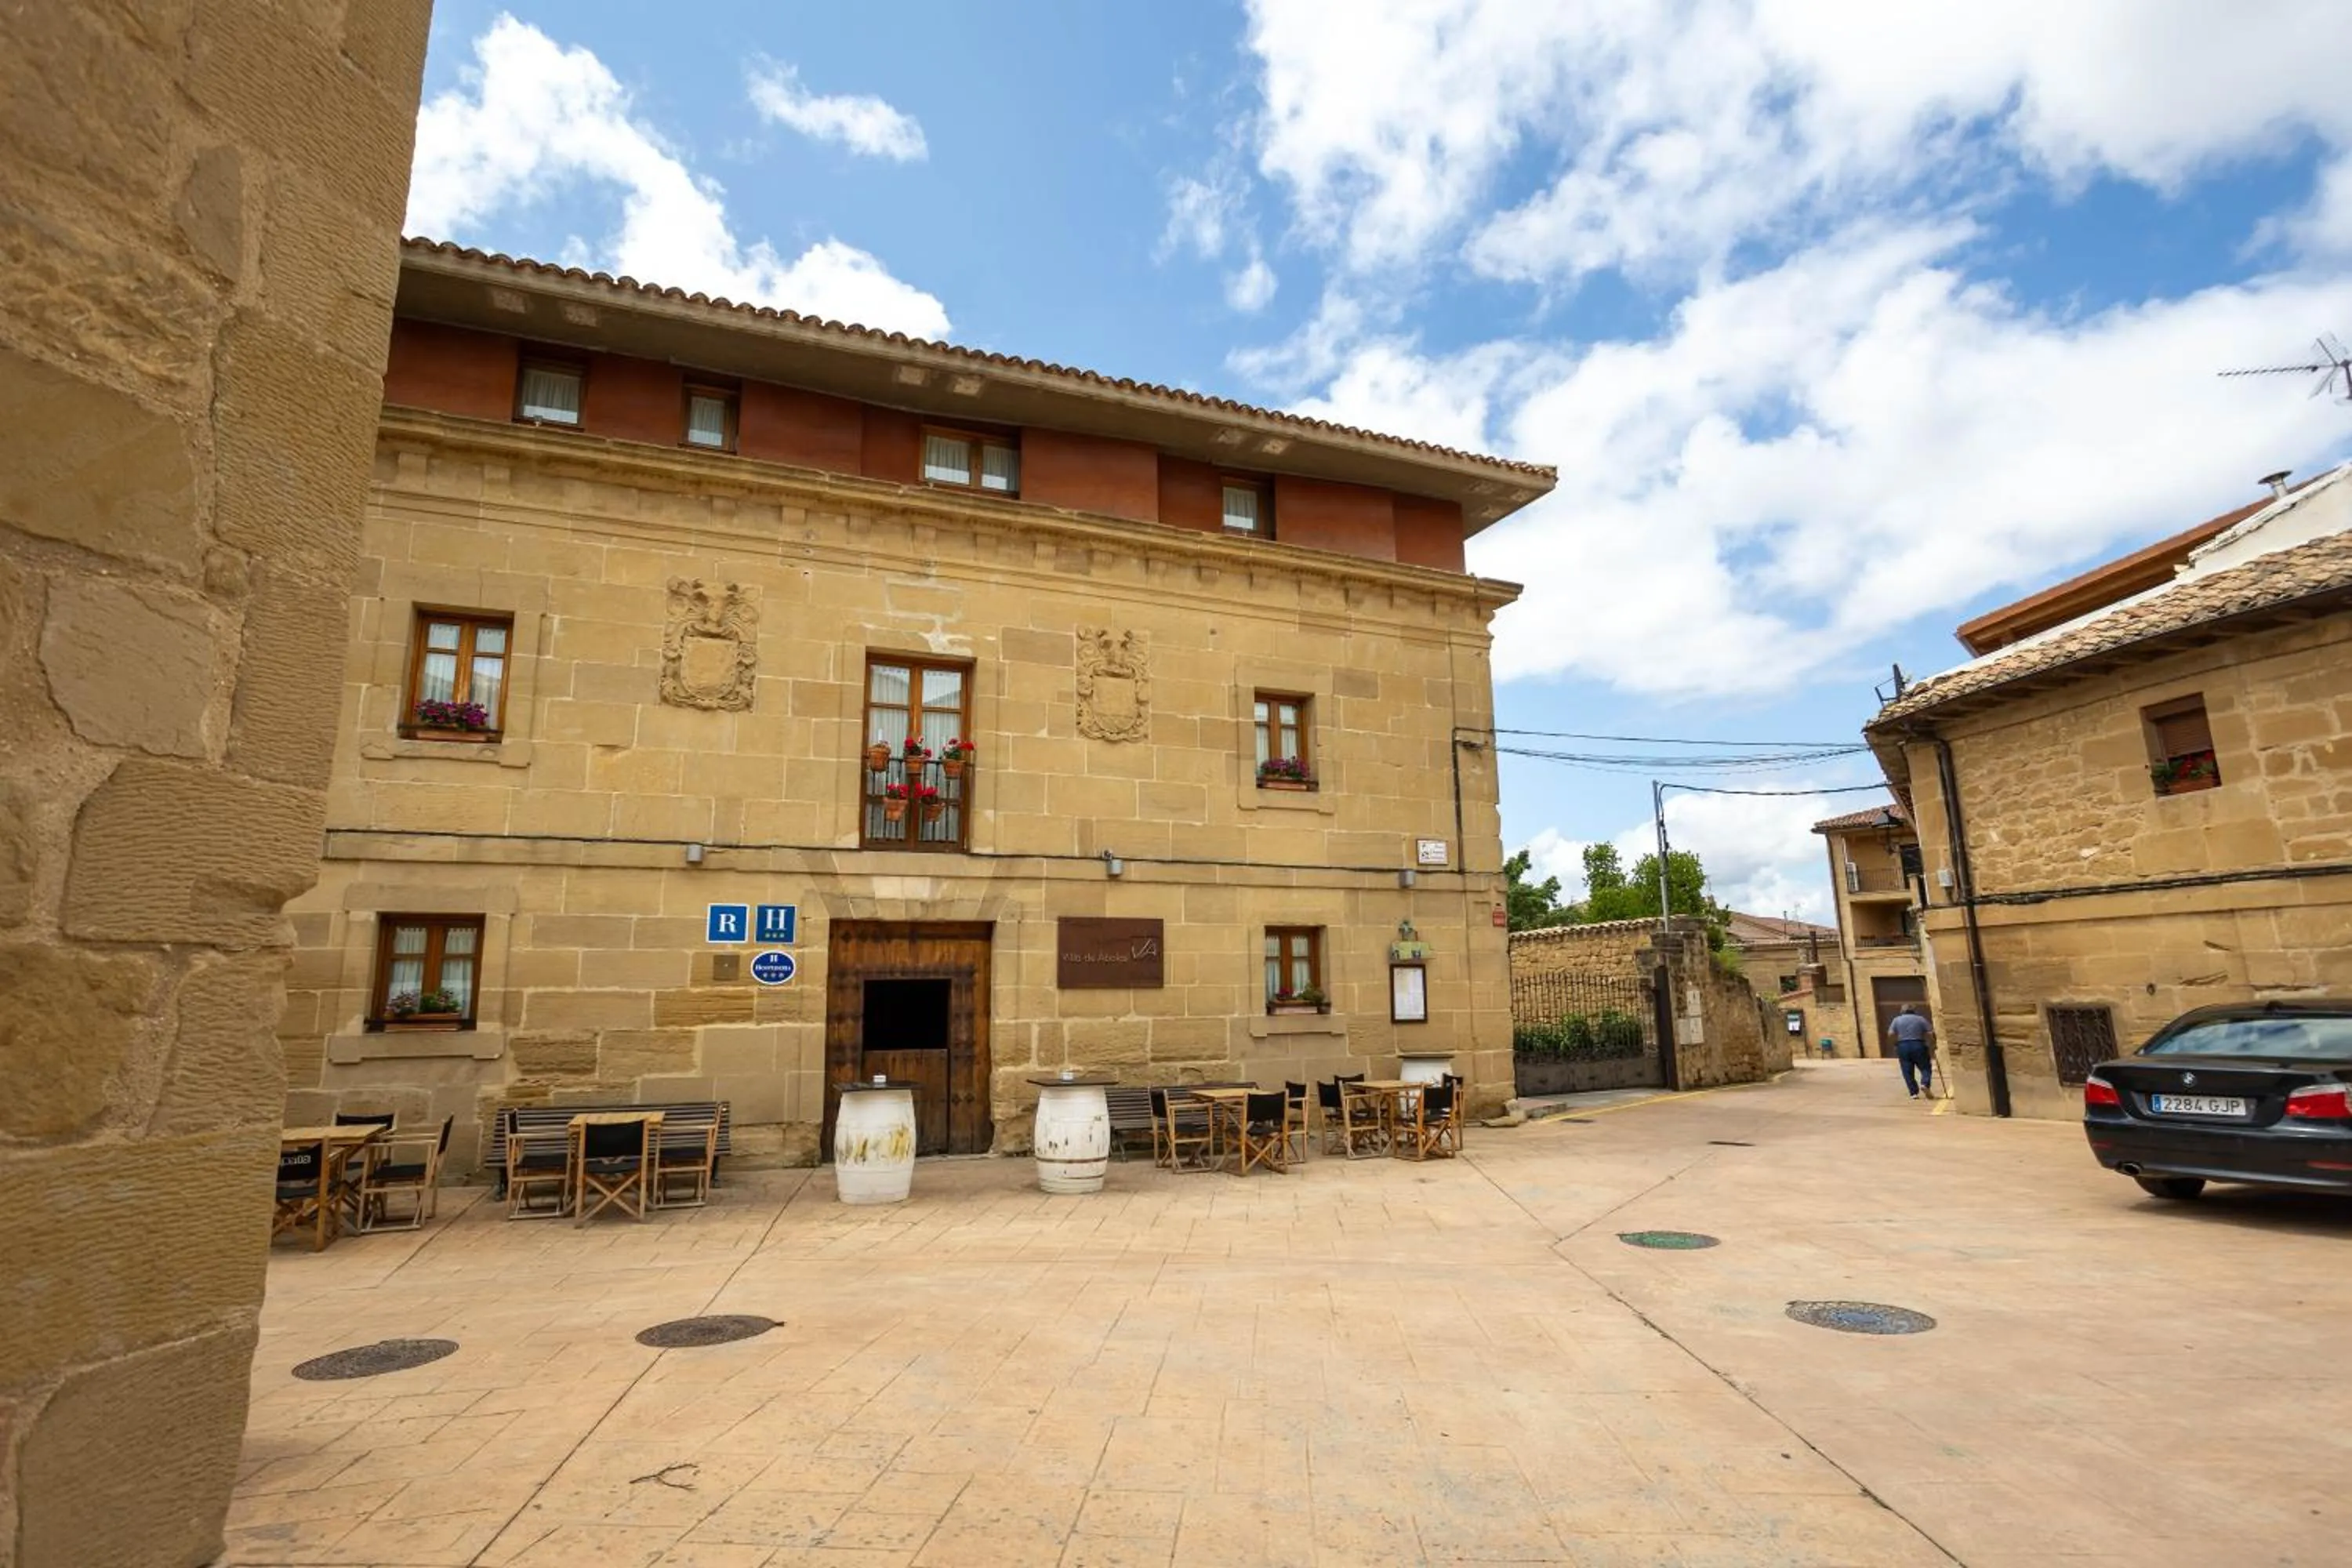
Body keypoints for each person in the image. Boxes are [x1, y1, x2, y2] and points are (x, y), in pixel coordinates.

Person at [1886, 1005, 1936, 1098]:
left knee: (1907, 1070)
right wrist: (1931, 1044)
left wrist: (1895, 1044)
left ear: (1902, 1011)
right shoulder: (1921, 1019)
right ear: (1913, 1011)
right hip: (1918, 1044)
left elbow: (1891, 1033)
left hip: (1903, 1045)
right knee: (1925, 1067)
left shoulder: (1897, 1020)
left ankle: (1913, 1093)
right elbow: (1930, 1033)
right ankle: (1925, 1084)